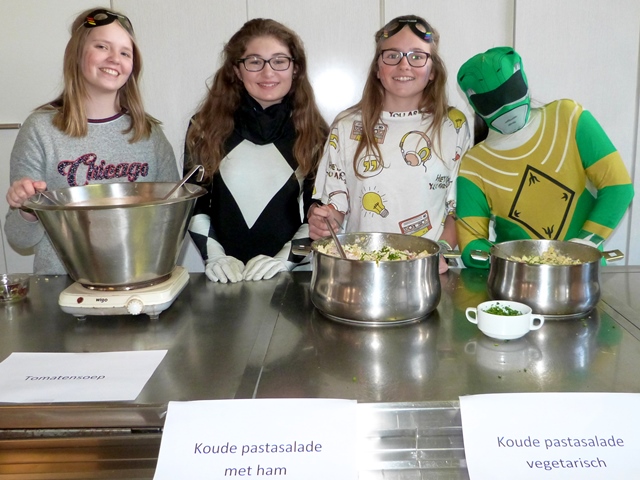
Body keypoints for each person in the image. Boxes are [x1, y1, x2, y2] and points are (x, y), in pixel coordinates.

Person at [4, 7, 179, 275]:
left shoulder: (150, 134)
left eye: (125, 53)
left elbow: (172, 225)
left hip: (138, 281)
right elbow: (19, 239)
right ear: (76, 54)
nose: (115, 59)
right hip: (62, 287)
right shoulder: (40, 129)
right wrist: (28, 209)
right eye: (102, 46)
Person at [308, 15, 470, 274]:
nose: (404, 65)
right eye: (392, 55)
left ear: (433, 71)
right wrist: (324, 221)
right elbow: (336, 208)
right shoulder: (346, 125)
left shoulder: (453, 125)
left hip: (427, 271)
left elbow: (459, 209)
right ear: (377, 68)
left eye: (417, 56)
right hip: (361, 270)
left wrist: (438, 253)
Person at [455, 46, 634, 268]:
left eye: (512, 91)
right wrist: (515, 265)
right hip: (517, 284)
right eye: (491, 101)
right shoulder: (474, 165)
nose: (506, 106)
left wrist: (585, 244)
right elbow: (471, 245)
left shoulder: (568, 118)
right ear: (476, 104)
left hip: (583, 276)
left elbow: (618, 187)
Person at [184, 18, 328, 283]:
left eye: (279, 61)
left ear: (295, 68)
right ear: (237, 70)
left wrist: (285, 260)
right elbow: (193, 202)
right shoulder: (204, 127)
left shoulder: (315, 134)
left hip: (289, 282)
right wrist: (215, 256)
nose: (268, 72)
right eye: (254, 61)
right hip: (224, 280)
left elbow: (319, 216)